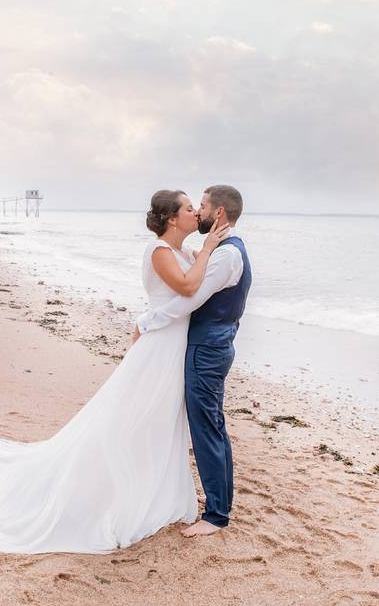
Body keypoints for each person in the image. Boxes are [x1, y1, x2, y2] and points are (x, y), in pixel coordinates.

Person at [0, 189, 229, 553]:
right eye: (189, 209)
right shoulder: (159, 251)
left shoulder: (183, 251)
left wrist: (212, 246)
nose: (195, 214)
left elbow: (202, 280)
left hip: (173, 345)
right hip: (158, 348)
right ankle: (112, 493)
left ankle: (154, 490)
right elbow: (188, 287)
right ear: (172, 219)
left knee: (160, 421)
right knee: (134, 418)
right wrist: (206, 251)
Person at [135, 185, 252, 537]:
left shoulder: (226, 255)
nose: (197, 212)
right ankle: (218, 505)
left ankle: (217, 514)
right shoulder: (214, 251)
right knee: (209, 425)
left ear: (218, 213)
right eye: (192, 207)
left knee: (206, 427)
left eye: (200, 206)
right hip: (203, 345)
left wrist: (146, 322)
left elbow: (190, 298)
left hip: (207, 349)